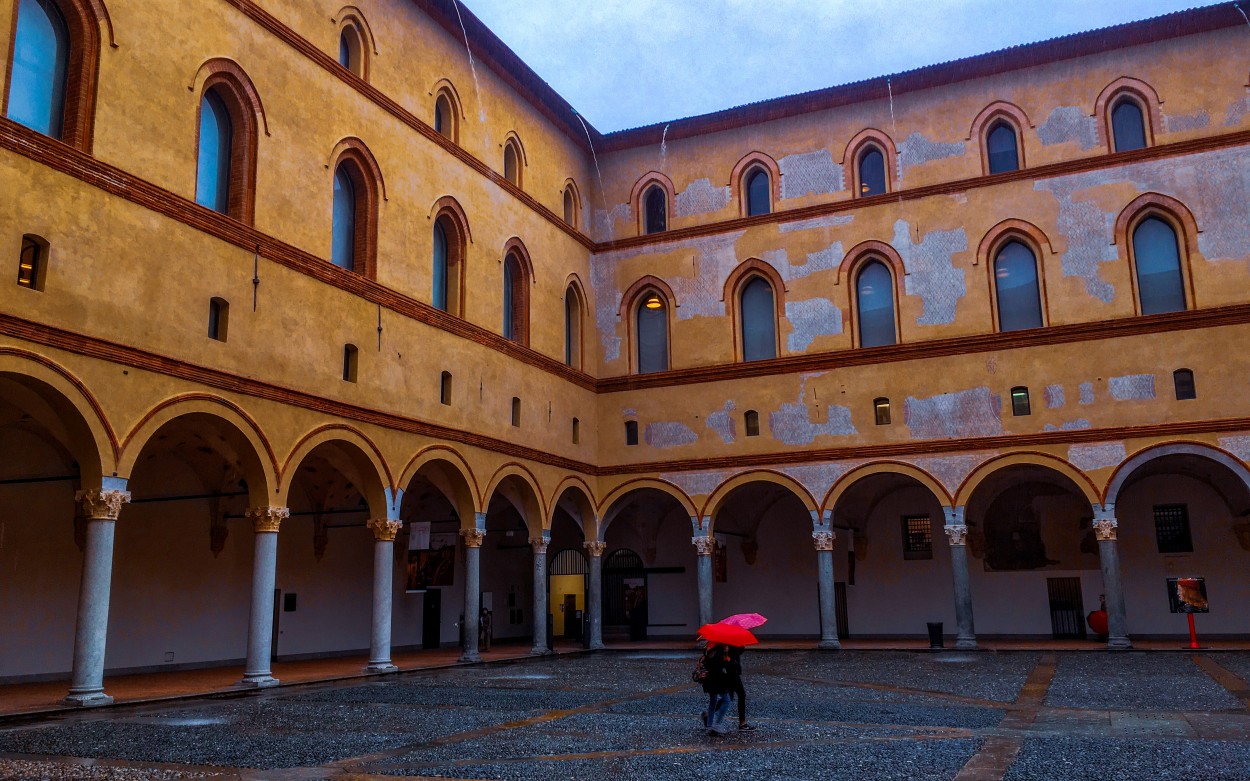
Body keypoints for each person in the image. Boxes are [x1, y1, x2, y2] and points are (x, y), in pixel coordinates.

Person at [699, 643, 734, 736]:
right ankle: (717, 724)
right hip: (717, 680)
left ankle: (710, 725)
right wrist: (727, 660)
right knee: (727, 700)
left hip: (709, 680)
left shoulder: (708, 649)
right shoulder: (719, 651)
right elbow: (719, 666)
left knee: (713, 701)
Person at [727, 645, 754, 731]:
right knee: (741, 695)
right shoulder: (732, 641)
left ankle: (709, 716)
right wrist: (742, 645)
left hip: (730, 671)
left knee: (728, 697)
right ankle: (742, 723)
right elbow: (737, 652)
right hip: (732, 671)